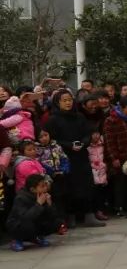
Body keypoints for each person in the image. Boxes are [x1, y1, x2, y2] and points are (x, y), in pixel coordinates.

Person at [43, 89, 105, 226]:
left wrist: (83, 142)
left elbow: (88, 134)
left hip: (81, 155)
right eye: (64, 100)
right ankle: (70, 217)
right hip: (64, 157)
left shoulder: (79, 117)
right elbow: (51, 139)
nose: (68, 103)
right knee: (69, 187)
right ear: (57, 102)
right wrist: (69, 145)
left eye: (69, 100)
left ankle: (89, 215)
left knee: (86, 184)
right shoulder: (53, 119)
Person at [103, 96, 127, 217]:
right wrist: (113, 157)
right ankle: (118, 206)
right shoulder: (111, 120)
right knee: (119, 182)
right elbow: (109, 141)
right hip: (119, 156)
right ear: (121, 108)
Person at [6, 174, 62, 251]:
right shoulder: (21, 198)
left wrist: (49, 205)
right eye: (42, 186)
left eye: (45, 185)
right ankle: (17, 240)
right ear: (32, 189)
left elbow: (52, 216)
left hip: (34, 222)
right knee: (28, 225)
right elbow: (25, 218)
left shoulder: (42, 195)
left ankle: (37, 237)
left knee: (57, 222)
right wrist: (38, 204)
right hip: (18, 226)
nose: (45, 188)